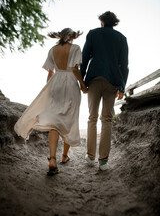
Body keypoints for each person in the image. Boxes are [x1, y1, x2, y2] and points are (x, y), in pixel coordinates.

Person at [14, 28, 87, 175]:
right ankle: (64, 156)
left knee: (54, 122)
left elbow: (50, 72)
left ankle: (52, 159)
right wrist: (82, 84)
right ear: (72, 37)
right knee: (69, 120)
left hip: (55, 83)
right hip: (70, 83)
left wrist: (49, 90)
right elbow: (74, 68)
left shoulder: (52, 50)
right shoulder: (76, 48)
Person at [80, 11, 129, 171]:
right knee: (107, 119)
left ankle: (90, 156)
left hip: (94, 79)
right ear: (114, 23)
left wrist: (81, 81)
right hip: (113, 81)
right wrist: (122, 86)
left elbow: (85, 58)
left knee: (92, 117)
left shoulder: (93, 34)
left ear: (101, 21)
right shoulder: (122, 38)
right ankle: (103, 162)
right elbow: (124, 65)